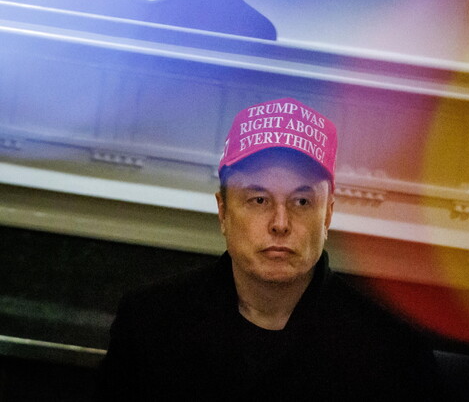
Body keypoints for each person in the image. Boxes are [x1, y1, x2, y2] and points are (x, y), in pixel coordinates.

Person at [96, 97, 440, 401]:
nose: (280, 223)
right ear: (223, 212)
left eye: (302, 201)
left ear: (327, 215)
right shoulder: (149, 322)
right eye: (258, 199)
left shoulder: (394, 351)